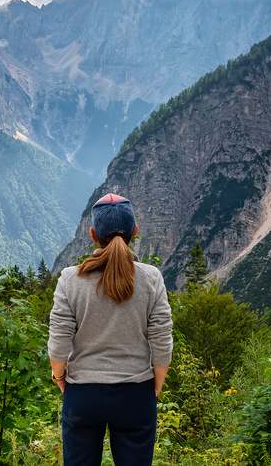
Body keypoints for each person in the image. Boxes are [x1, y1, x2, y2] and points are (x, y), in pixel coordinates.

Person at [48, 193, 174, 466]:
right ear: (135, 232)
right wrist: (157, 383)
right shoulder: (151, 278)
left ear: (93, 234)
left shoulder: (70, 279)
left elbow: (58, 339)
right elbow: (162, 339)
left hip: (82, 395)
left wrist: (60, 378)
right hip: (136, 394)